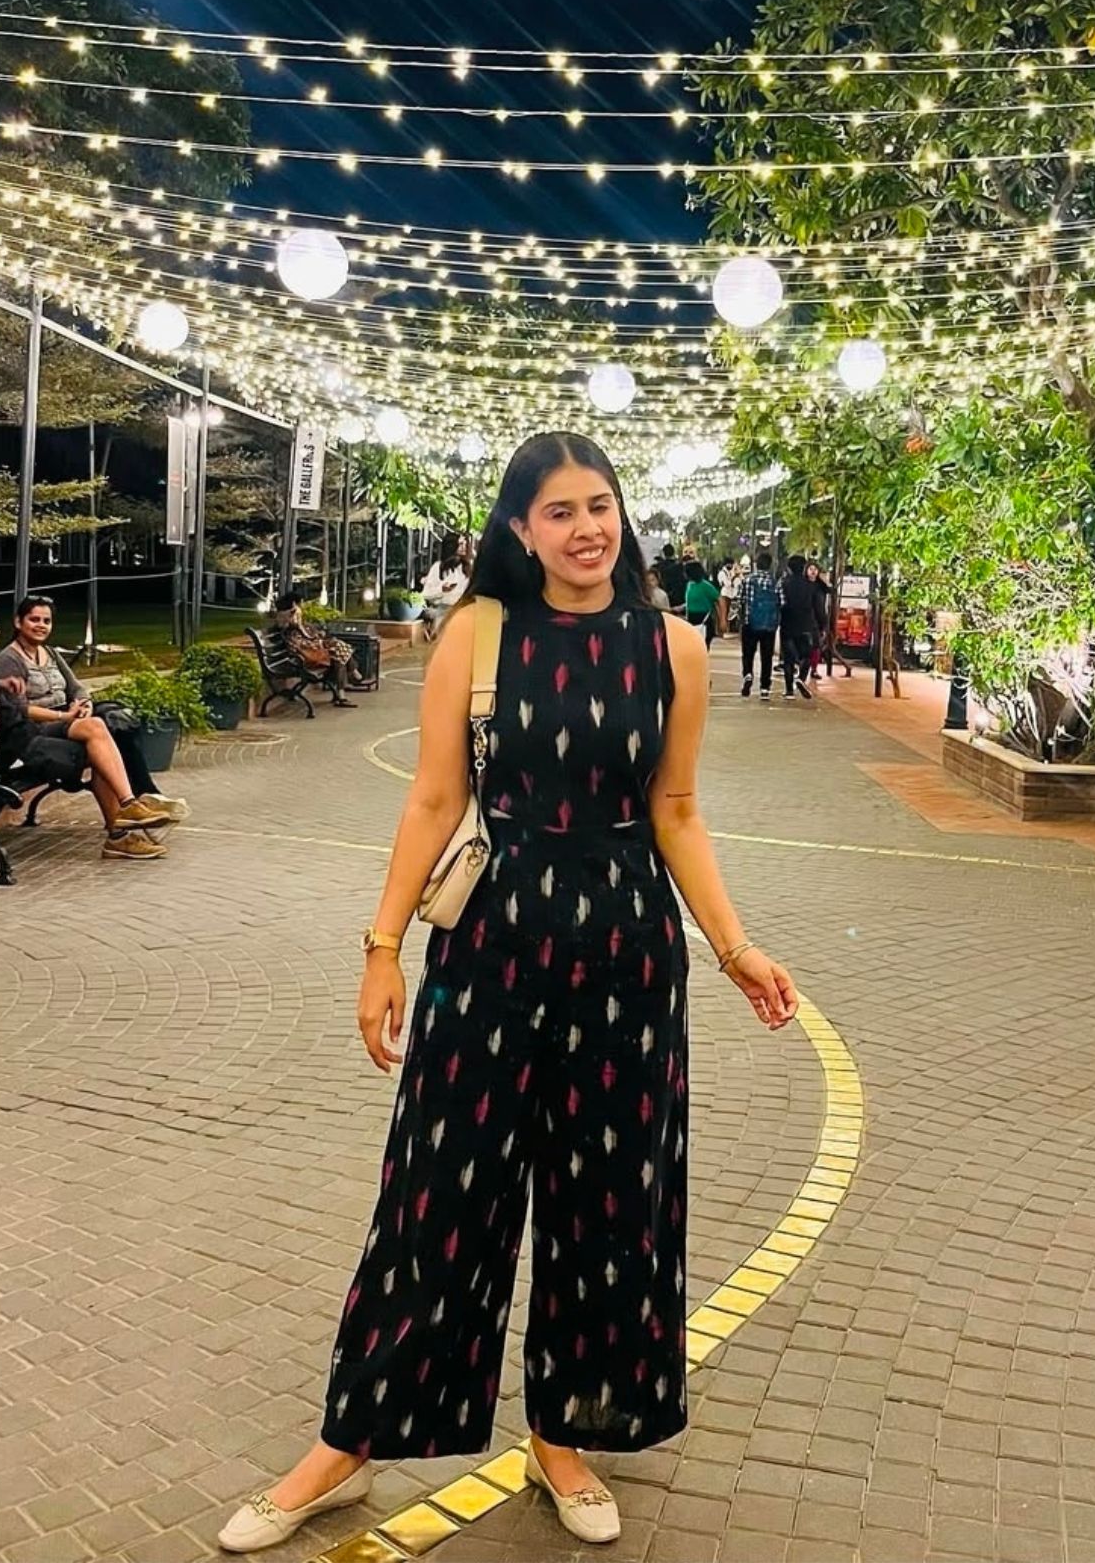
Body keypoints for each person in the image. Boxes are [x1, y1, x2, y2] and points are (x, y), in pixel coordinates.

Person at [220, 432, 799, 1555]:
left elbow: (677, 809)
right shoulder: (478, 633)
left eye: (601, 505)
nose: (587, 529)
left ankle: (561, 1433)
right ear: (522, 529)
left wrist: (735, 948)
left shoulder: (673, 647)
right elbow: (435, 800)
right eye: (559, 511)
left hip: (628, 957)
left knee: (609, 1204)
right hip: (488, 949)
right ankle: (350, 1444)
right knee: (437, 1196)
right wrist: (382, 946)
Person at [0, 597, 171, 860]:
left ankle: (129, 806)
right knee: (97, 753)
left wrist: (1, 684)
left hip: (20, 734)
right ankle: (120, 834)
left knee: (95, 728)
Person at [0, 594, 187, 822]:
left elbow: (77, 688)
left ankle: (126, 822)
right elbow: (21, 710)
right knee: (97, 728)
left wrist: (84, 705)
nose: (41, 626)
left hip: (67, 719)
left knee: (114, 730)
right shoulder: (9, 659)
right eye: (34, 619)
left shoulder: (51, 653)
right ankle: (133, 801)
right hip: (35, 729)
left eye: (47, 621)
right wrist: (63, 715)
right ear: (18, 622)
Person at [272, 593, 366, 705]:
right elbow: (295, 631)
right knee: (337, 650)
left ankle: (343, 691)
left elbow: (305, 631)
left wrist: (314, 633)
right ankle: (351, 676)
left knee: (337, 651)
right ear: (293, 603)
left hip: (306, 647)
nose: (302, 605)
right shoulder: (286, 616)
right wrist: (296, 621)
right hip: (301, 653)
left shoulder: (293, 613)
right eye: (299, 603)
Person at [737, 551, 782, 700]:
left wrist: (741, 619)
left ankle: (748, 674)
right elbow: (782, 603)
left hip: (749, 623)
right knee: (767, 657)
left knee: (748, 653)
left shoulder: (747, 580)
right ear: (770, 565)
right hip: (769, 625)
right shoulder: (775, 582)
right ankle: (765, 688)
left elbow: (740, 601)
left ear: (756, 564)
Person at [780, 556, 817, 702]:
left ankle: (789, 691)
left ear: (789, 568)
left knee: (788, 659)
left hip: (788, 623)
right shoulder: (810, 585)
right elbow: (816, 606)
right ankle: (801, 678)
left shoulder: (784, 583)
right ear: (803, 568)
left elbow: (780, 602)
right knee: (807, 655)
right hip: (805, 624)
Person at [420, 535, 470, 640]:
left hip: (464, 613)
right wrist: (441, 589)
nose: (464, 547)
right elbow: (426, 594)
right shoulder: (438, 567)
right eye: (460, 544)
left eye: (465, 544)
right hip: (444, 612)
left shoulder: (469, 568)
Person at [683, 559, 722, 648]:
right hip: (691, 618)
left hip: (704, 620)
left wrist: (722, 619)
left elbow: (719, 599)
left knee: (702, 646)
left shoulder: (705, 586)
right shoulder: (689, 585)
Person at [656, 542, 685, 614]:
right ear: (673, 552)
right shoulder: (680, 567)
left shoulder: (658, 567)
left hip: (662, 599)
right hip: (678, 599)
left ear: (663, 553)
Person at [717, 557, 740, 635]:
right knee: (723, 613)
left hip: (731, 595)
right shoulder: (722, 573)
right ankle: (722, 631)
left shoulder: (730, 572)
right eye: (729, 564)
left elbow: (736, 583)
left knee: (728, 614)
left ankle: (727, 629)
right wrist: (733, 578)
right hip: (724, 595)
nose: (731, 566)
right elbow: (727, 584)